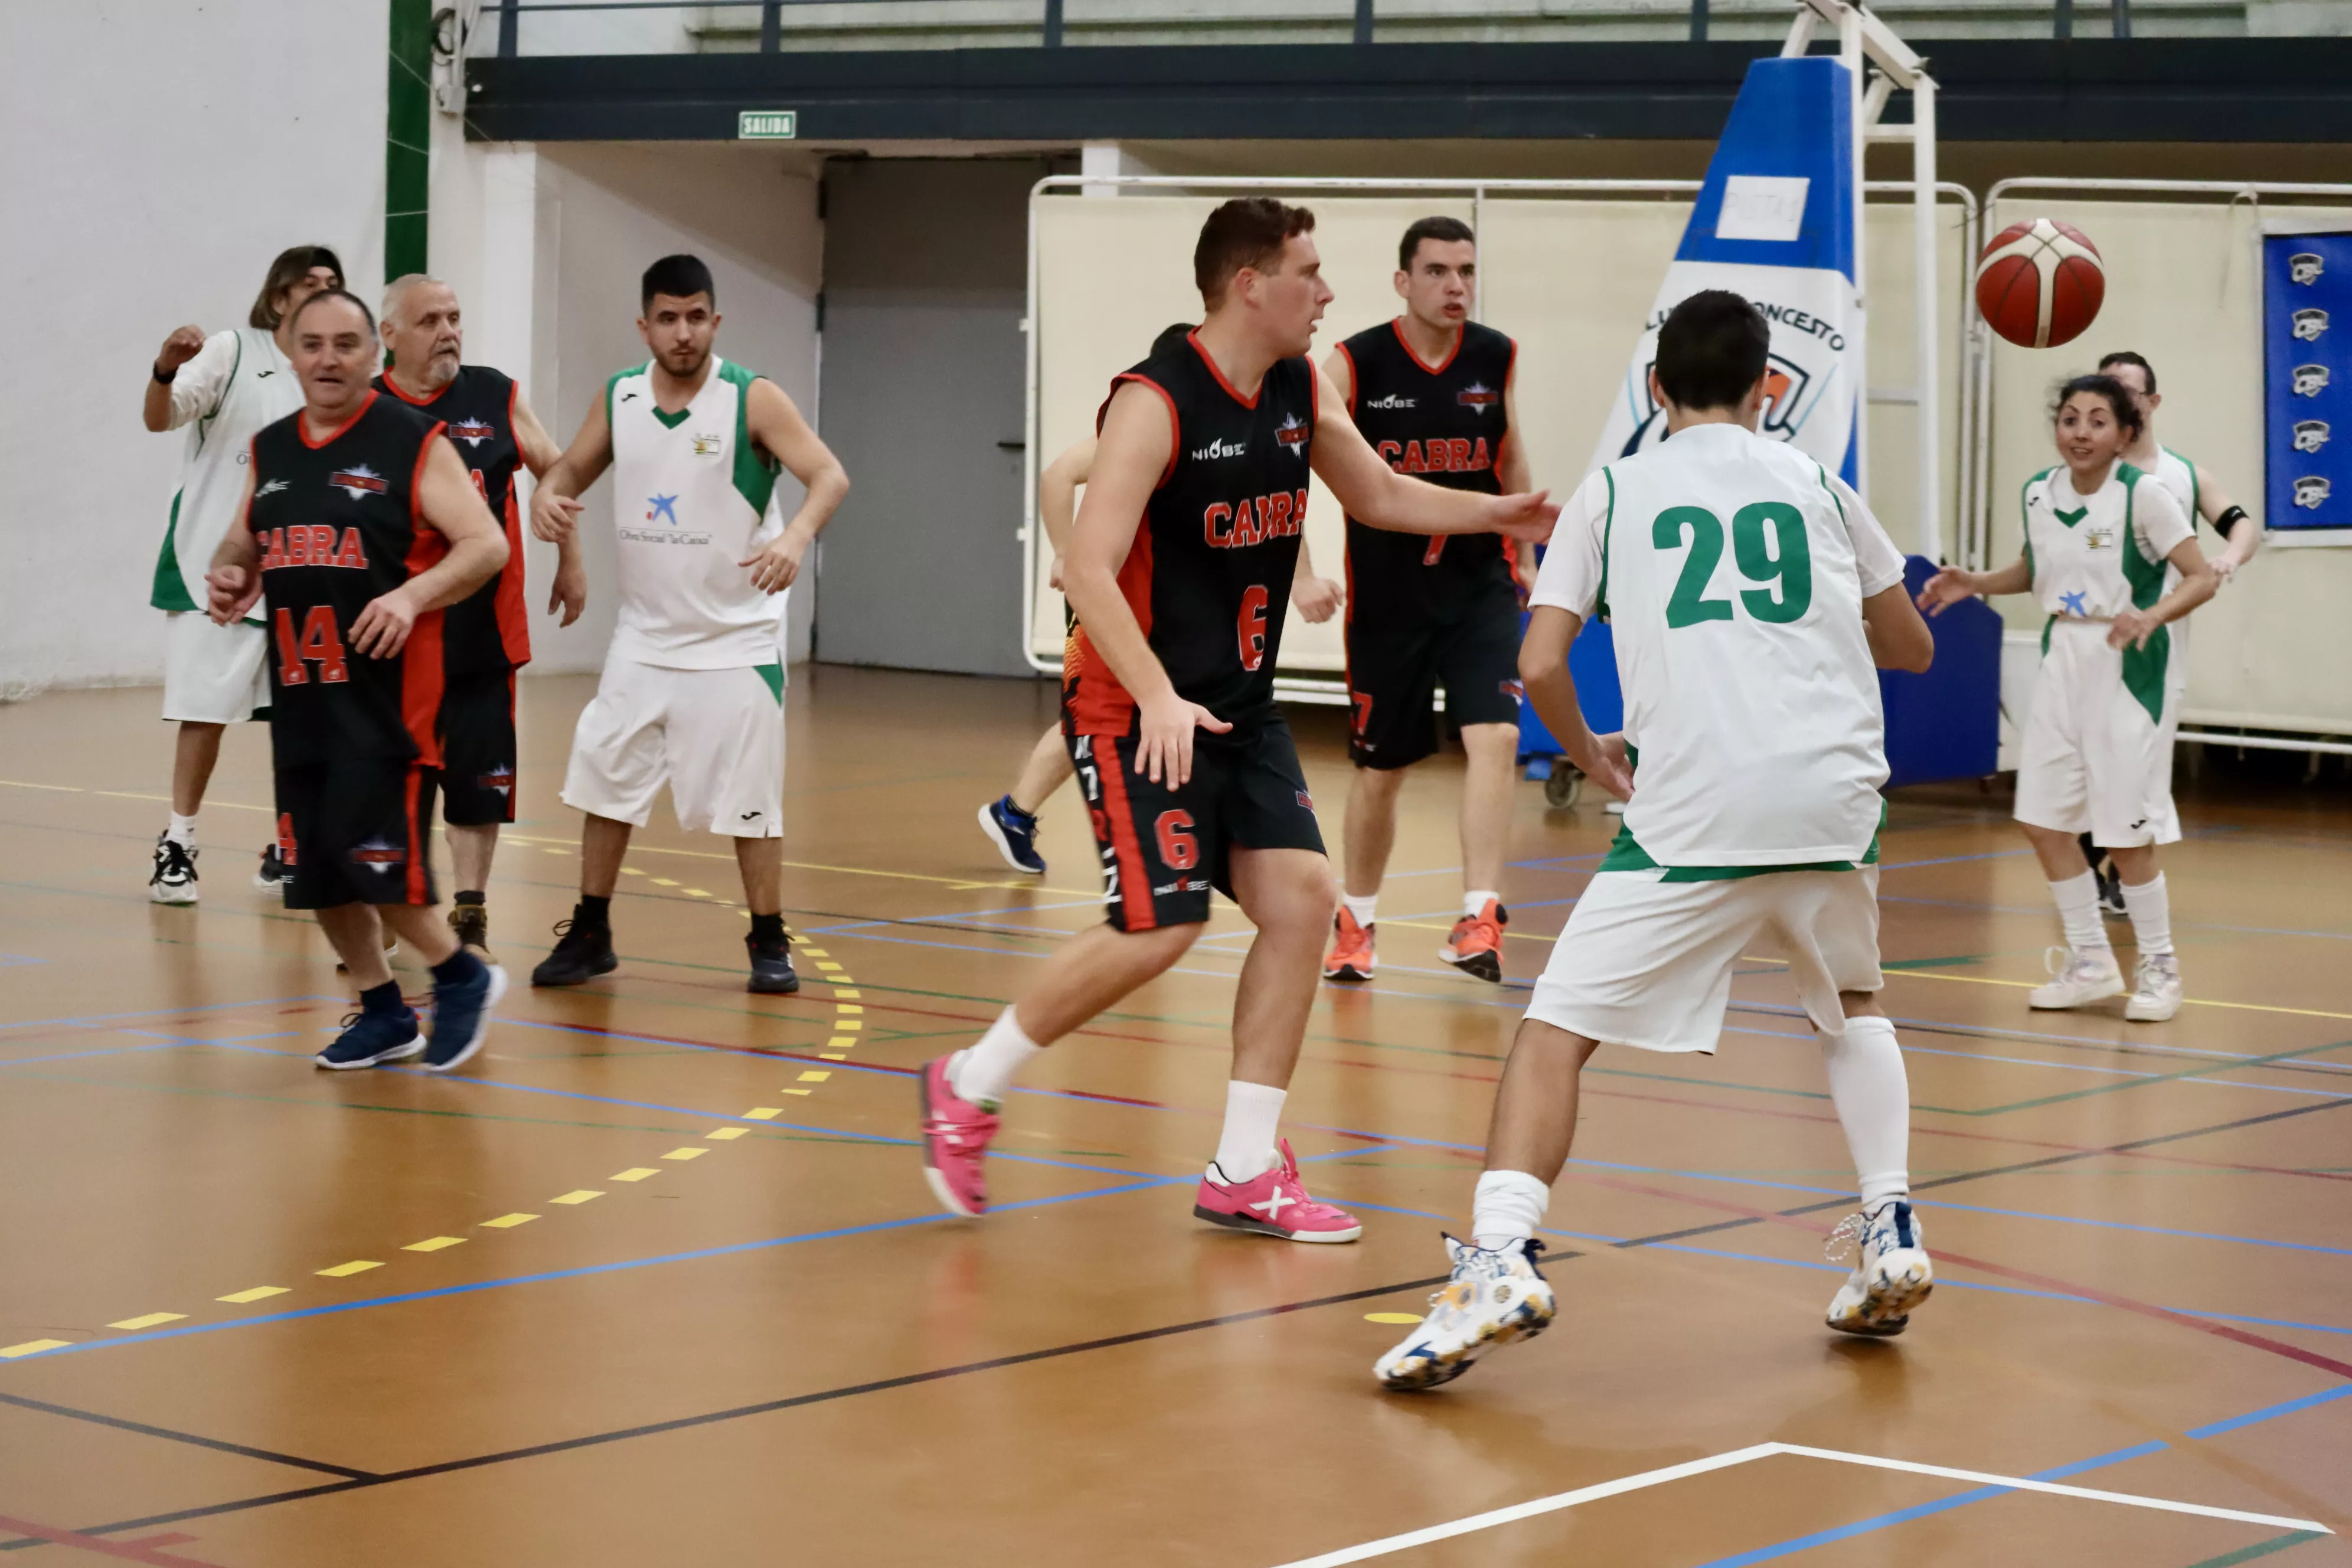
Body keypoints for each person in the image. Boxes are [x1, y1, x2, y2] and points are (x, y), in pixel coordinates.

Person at [918, 198, 1557, 1239]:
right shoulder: (1156, 401)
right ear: (1247, 284)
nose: (1326, 291)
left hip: (1238, 709)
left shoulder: (1299, 386)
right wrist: (1159, 692)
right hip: (1132, 704)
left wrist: (1497, 511)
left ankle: (1245, 1166)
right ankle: (966, 1082)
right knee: (1159, 927)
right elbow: (1084, 565)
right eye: (1308, 271)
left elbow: (1382, 495)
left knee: (1302, 906)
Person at [1374, 291, 1939, 1391]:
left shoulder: (1616, 490)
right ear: (1767, 387)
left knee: (1552, 1031)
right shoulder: (1820, 485)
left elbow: (1539, 664)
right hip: (1831, 800)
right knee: (1852, 1009)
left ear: (1652, 389)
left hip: (1698, 811)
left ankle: (1498, 1258)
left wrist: (1587, 753)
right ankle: (1887, 1224)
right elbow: (1908, 646)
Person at [202, 290, 511, 1070]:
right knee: (317, 872)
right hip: (301, 693)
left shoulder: (413, 441)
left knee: (375, 862)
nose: (328, 358)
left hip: (386, 700)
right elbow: (244, 543)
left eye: (346, 344)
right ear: (290, 353)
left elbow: (485, 546)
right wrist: (232, 576)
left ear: (374, 354)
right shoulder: (272, 448)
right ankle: (383, 1012)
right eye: (312, 344)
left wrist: (410, 596)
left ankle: (461, 977)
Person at [527, 254, 850, 995]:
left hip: (735, 640)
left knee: (752, 800)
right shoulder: (621, 397)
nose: (683, 332)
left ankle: (768, 939)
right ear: (645, 325)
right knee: (604, 783)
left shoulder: (752, 398)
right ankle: (591, 930)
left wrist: (793, 537)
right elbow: (569, 472)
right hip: (644, 636)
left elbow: (829, 474)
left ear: (715, 321)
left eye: (696, 316)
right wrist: (548, 497)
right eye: (668, 318)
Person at [1919, 374, 2217, 1023]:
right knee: (2043, 820)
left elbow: (2200, 576)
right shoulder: (2038, 492)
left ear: (2125, 435)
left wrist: (2153, 615)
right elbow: (2035, 569)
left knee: (2125, 832)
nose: (2081, 432)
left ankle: (2160, 968)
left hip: (2127, 664)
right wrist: (1977, 582)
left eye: (2098, 421)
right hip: (2063, 659)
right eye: (2071, 419)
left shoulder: (2146, 496)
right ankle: (2091, 962)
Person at [979, 394, 1343, 876]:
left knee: (1147, 708)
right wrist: (1066, 554)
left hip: (1174, 608)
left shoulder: (1246, 441)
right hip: (1110, 595)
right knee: (1095, 711)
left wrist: (1302, 577)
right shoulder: (1150, 427)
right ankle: (1016, 814)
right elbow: (1056, 475)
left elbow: (1276, 507)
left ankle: (1018, 814)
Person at [1321, 217, 1536, 985]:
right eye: (1439, 271)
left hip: (1478, 586)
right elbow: (1287, 451)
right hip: (1389, 599)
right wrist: (1305, 569)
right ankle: (1356, 918)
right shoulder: (1353, 363)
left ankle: (1480, 915)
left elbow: (1508, 454)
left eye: (1467, 271)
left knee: (1497, 739)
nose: (1457, 287)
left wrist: (1530, 557)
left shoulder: (1495, 355)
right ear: (1402, 281)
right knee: (1382, 772)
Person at [374, 275, 584, 960]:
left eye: (456, 317)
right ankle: (392, 915)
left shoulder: (495, 395)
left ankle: (469, 913)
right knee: (393, 782)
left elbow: (558, 469)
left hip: (484, 634)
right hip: (397, 641)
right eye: (430, 320)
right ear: (390, 337)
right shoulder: (366, 409)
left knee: (477, 783)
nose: (449, 331)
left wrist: (570, 557)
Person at [143, 244, 344, 903]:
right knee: (204, 712)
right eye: (308, 282)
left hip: (300, 570)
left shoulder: (329, 369)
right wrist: (165, 370)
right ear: (279, 294)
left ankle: (289, 842)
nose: (320, 290)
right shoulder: (234, 350)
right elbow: (161, 416)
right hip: (216, 568)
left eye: (332, 283)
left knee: (300, 715)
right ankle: (178, 842)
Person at [2070, 350, 2262, 916]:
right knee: (2081, 771)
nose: (2115, 398)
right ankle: (2092, 877)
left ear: (2151, 403)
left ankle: (2118, 879)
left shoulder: (2180, 476)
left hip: (2154, 646)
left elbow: (2240, 522)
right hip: (2086, 645)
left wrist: (2229, 556)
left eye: (2126, 390)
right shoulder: (2080, 477)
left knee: (2136, 772)